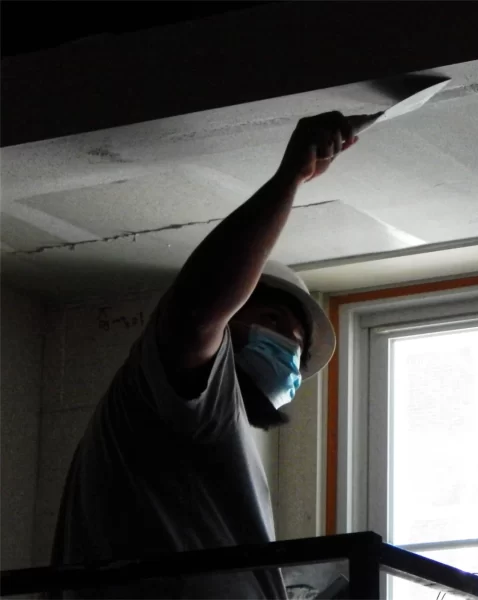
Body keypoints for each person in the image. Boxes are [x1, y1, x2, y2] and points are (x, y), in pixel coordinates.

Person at [50, 112, 357, 599]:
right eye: (275, 321)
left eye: (298, 348)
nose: (289, 351)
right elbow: (197, 313)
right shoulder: (186, 393)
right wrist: (289, 178)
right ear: (233, 312)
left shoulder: (221, 435)